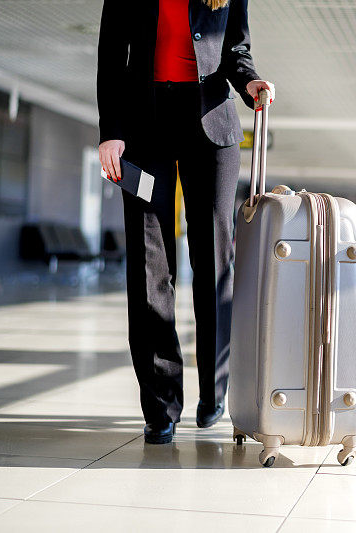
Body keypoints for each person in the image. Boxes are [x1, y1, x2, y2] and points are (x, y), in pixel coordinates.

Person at [97, 0, 274, 444]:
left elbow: (235, 50)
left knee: (214, 258)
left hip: (210, 129)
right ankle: (160, 407)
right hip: (142, 131)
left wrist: (251, 82)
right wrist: (110, 130)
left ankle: (214, 390)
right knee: (147, 267)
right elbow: (111, 55)